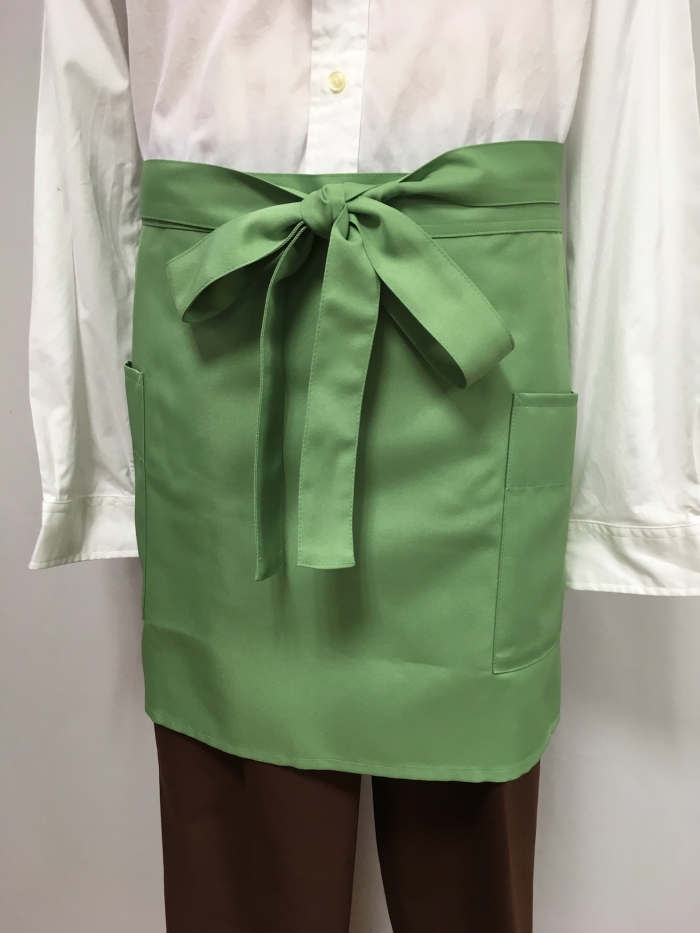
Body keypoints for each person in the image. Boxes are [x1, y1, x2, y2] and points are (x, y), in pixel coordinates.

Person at [28, 2, 700, 930]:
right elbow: (89, 112)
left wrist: (628, 484)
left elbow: (636, 112)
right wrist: (99, 462)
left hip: (476, 359)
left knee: (471, 868)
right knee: (243, 882)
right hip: (223, 356)